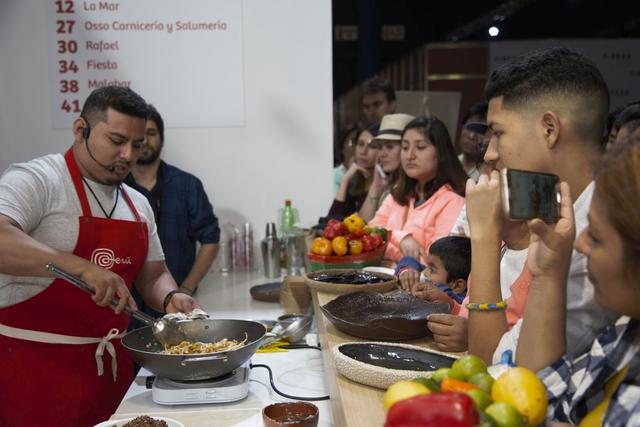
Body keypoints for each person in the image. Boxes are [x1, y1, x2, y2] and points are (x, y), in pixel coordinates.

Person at [0, 87, 199, 427]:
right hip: (31, 372)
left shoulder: (137, 203)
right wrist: (81, 268)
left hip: (110, 375)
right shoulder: (38, 180)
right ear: (81, 130)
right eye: (117, 140)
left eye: (136, 145)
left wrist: (171, 296)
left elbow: (152, 275)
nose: (127, 154)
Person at [467, 46, 616, 364]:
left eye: (498, 133)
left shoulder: (599, 236)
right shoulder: (555, 208)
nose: (490, 154)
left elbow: (496, 369)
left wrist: (484, 239)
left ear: (550, 129)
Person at [517, 144, 640, 426]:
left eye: (595, 237)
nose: (580, 243)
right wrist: (547, 275)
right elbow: (537, 394)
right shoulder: (627, 332)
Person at [126, 105, 220, 319]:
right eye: (140, 135)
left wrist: (185, 288)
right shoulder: (116, 190)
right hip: (128, 308)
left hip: (179, 303)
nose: (146, 141)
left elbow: (211, 239)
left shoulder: (187, 185)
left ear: (161, 137)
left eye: (151, 133)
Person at [368, 116, 466, 263]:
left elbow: (433, 262)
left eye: (420, 147)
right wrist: (401, 238)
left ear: (440, 153)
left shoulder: (453, 201)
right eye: (405, 147)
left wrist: (386, 248)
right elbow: (370, 234)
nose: (410, 155)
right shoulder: (398, 193)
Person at [359, 113, 415, 222]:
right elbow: (362, 225)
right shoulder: (388, 186)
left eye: (389, 146)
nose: (381, 154)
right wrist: (375, 187)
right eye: (380, 147)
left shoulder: (415, 190)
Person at [396, 236, 470, 308]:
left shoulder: (461, 302)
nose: (424, 272)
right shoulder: (432, 272)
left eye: (432, 270)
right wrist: (408, 270)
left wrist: (427, 286)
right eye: (428, 266)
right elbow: (409, 259)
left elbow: (446, 293)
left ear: (457, 286)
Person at [328, 123, 380, 218]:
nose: (363, 151)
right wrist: (346, 179)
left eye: (372, 146)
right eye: (360, 144)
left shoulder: (383, 186)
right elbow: (332, 222)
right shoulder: (354, 183)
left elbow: (363, 225)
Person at [457, 102, 489, 181]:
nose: (471, 136)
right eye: (469, 128)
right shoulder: (450, 164)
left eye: (480, 131)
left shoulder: (489, 174)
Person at [333, 122, 360, 195]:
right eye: (352, 142)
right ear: (342, 147)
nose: (356, 148)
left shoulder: (367, 178)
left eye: (360, 143)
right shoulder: (333, 175)